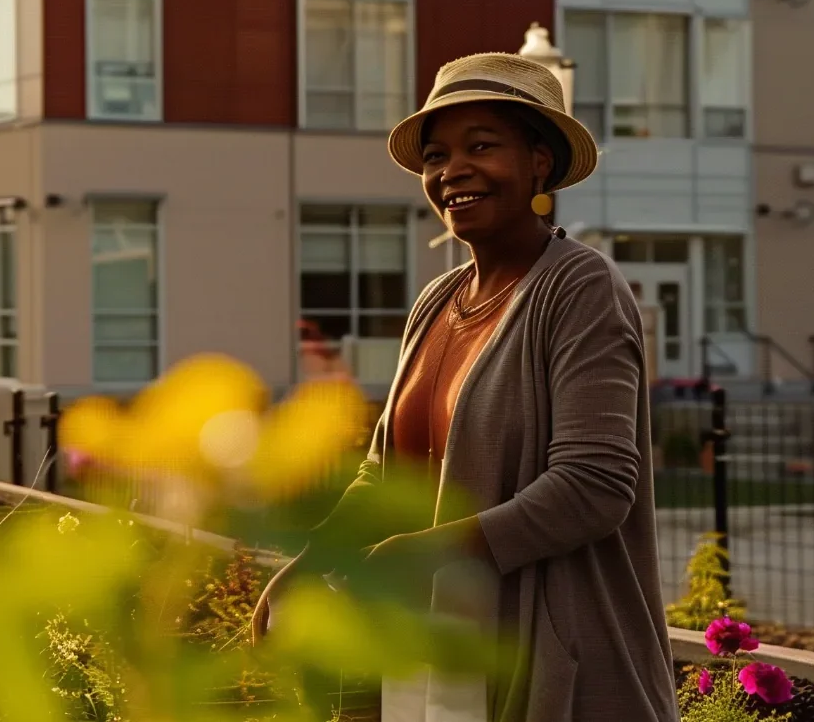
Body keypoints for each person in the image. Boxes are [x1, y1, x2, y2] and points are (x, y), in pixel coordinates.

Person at [253, 52, 679, 722]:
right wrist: (315, 559)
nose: (451, 170)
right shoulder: (436, 299)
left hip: (545, 656)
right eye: (436, 155)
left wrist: (419, 552)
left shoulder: (579, 288)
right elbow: (381, 468)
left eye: (482, 145)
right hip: (430, 649)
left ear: (540, 161)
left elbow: (594, 485)